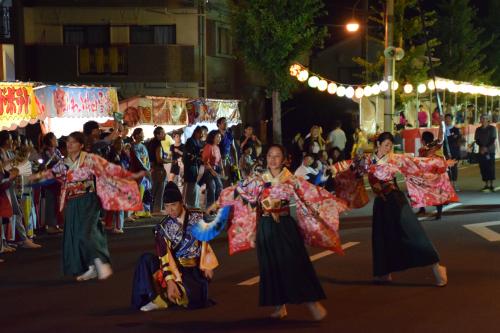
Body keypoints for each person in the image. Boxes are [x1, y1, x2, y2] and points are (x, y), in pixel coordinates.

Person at [207, 144, 348, 321]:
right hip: (266, 226)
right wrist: (216, 204)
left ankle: (312, 302)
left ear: (284, 159)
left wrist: (332, 204)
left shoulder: (292, 179)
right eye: (269, 156)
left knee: (296, 263)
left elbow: (313, 194)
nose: (272, 160)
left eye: (277, 156)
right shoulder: (258, 179)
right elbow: (237, 191)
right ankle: (279, 306)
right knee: (270, 266)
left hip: (285, 226)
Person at [31, 131, 145, 281]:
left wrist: (131, 175)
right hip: (72, 201)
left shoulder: (90, 159)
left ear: (81, 145)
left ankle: (100, 262)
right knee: (76, 235)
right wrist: (34, 177)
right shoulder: (64, 162)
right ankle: (91, 267)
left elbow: (109, 169)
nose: (69, 144)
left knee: (87, 231)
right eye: (68, 142)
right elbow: (51, 174)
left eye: (73, 142)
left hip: (88, 199)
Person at [343, 132, 452, 285]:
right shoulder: (368, 159)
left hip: (395, 199)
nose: (388, 148)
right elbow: (354, 172)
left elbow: (416, 163)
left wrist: (440, 164)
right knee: (382, 237)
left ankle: (437, 267)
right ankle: (384, 272)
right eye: (386, 145)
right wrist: (355, 162)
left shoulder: (394, 159)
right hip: (381, 202)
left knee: (413, 233)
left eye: (390, 145)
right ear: (378, 144)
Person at [131, 181, 216, 312]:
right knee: (145, 260)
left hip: (193, 270)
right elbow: (164, 257)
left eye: (173, 205)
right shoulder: (162, 228)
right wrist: (170, 281)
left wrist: (207, 265)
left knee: (196, 300)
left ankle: (166, 298)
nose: (170, 210)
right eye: (167, 206)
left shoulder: (197, 216)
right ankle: (157, 298)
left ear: (181, 202)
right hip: (174, 267)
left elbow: (204, 242)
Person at [0, 131, 41, 250]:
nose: (13, 141)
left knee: (13, 214)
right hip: (6, 186)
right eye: (11, 139)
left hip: (11, 185)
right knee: (9, 214)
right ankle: (18, 240)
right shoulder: (3, 153)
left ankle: (10, 241)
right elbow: (5, 169)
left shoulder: (8, 152)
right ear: (5, 140)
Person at [105, 137, 130, 233]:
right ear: (114, 144)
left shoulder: (124, 154)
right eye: (119, 143)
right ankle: (118, 226)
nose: (121, 145)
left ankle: (109, 224)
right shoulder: (111, 154)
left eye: (122, 143)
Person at [130, 128, 152, 219]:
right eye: (142, 133)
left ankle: (146, 210)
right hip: (139, 172)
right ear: (137, 135)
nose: (143, 135)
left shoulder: (142, 146)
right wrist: (145, 170)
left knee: (147, 192)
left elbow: (146, 159)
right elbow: (139, 161)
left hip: (146, 172)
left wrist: (148, 169)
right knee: (140, 191)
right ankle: (136, 211)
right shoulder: (133, 147)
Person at [148, 126, 170, 213]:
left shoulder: (150, 142)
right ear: (158, 135)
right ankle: (157, 210)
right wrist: (170, 160)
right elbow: (159, 159)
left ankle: (149, 209)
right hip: (158, 170)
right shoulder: (158, 144)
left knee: (152, 190)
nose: (165, 134)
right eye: (163, 133)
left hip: (152, 169)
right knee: (159, 190)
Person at [474, 114, 497, 192]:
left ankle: (491, 184)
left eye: (485, 118)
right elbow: (477, 140)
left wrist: (486, 147)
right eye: (482, 118)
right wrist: (482, 147)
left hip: (490, 151)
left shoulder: (492, 128)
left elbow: (493, 139)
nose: (483, 120)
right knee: (483, 167)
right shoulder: (478, 129)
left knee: (491, 167)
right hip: (481, 151)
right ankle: (486, 184)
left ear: (488, 120)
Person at [183, 127, 203, 209]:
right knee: (191, 184)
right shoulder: (190, 141)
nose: (201, 135)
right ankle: (190, 204)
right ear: (196, 133)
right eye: (200, 133)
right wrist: (197, 155)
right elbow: (189, 155)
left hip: (196, 165)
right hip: (190, 166)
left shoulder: (199, 141)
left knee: (195, 185)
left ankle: (194, 203)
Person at [202, 130, 223, 209]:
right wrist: (212, 171)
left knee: (219, 187)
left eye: (220, 137)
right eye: (217, 137)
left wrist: (222, 169)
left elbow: (220, 159)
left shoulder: (217, 147)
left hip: (216, 169)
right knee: (212, 188)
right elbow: (205, 161)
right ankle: (210, 208)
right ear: (212, 137)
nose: (219, 138)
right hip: (209, 170)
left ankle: (216, 207)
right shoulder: (208, 146)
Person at [217, 117, 238, 184]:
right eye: (223, 122)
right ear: (218, 125)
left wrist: (236, 164)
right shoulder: (215, 135)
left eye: (226, 122)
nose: (226, 123)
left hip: (228, 160)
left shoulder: (229, 134)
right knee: (221, 182)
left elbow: (234, 149)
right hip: (218, 162)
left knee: (230, 181)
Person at [443, 114, 461, 190]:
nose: (447, 120)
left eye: (449, 119)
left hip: (454, 151)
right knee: (447, 168)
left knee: (454, 167)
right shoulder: (443, 130)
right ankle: (448, 184)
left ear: (451, 120)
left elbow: (456, 140)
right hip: (445, 151)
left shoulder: (456, 130)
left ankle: (454, 183)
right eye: (446, 119)